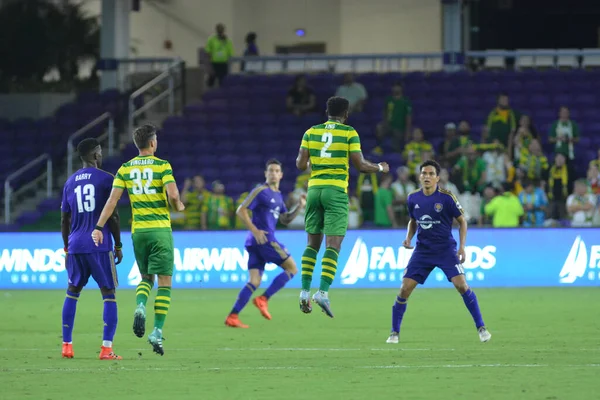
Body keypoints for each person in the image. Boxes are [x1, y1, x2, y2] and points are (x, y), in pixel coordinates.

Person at [92, 124, 185, 356]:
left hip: (139, 232)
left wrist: (98, 226)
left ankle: (141, 305)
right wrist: (179, 206)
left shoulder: (124, 169)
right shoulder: (162, 165)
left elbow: (112, 202)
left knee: (146, 277)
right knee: (165, 282)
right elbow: (173, 195)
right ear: (152, 143)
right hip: (160, 230)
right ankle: (156, 331)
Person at [296, 96, 389, 317]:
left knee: (312, 244)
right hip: (335, 191)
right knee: (333, 244)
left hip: (314, 190)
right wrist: (380, 168)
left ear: (326, 112)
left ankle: (304, 292)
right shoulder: (349, 132)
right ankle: (323, 292)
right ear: (346, 114)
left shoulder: (310, 132)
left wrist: (316, 161)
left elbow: (300, 165)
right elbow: (361, 165)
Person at [385, 160, 491, 344]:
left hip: (445, 250)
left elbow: (462, 221)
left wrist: (462, 247)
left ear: (437, 178)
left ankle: (481, 328)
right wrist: (408, 237)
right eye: (424, 173)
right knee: (404, 289)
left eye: (431, 174)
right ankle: (394, 333)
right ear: (419, 176)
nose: (427, 177)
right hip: (423, 251)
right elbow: (413, 220)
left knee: (462, 286)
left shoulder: (446, 197)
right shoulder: (413, 198)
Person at [60, 138, 123, 360]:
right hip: (99, 243)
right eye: (100, 152)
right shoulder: (107, 179)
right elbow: (113, 215)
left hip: (76, 244)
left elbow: (64, 220)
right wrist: (118, 244)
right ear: (95, 155)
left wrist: (67, 248)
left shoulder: (69, 182)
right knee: (108, 294)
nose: (101, 155)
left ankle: (66, 346)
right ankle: (106, 349)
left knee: (72, 291)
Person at [225, 159, 306, 328]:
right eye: (270, 170)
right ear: (265, 174)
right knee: (292, 268)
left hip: (255, 243)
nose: (273, 173)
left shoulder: (278, 196)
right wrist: (254, 230)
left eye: (277, 170)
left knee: (254, 281)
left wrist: (299, 206)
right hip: (264, 239)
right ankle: (264, 298)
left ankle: (233, 316)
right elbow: (241, 210)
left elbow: (285, 219)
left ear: (281, 175)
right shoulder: (260, 191)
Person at [374, 82, 412, 154]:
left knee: (396, 141)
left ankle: (397, 154)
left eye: (397, 87)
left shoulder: (406, 101)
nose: (396, 89)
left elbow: (408, 117)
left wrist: (407, 131)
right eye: (394, 87)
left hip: (399, 127)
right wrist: (384, 123)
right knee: (379, 128)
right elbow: (385, 112)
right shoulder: (389, 99)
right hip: (388, 125)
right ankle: (379, 147)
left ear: (401, 89)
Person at [205, 23, 234, 87]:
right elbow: (208, 51)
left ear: (223, 30)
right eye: (219, 29)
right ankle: (210, 93)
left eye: (221, 29)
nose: (220, 31)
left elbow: (231, 53)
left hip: (224, 63)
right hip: (214, 63)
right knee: (211, 80)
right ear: (216, 30)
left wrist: (230, 64)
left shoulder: (228, 41)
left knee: (223, 81)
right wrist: (209, 63)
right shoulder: (211, 40)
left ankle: (223, 93)